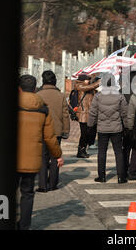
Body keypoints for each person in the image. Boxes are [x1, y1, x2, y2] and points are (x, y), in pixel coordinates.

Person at [17, 75, 63, 230]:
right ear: (35, 88)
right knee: (28, 193)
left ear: (20, 88)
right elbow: (50, 137)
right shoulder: (43, 109)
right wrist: (58, 155)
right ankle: (24, 225)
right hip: (31, 160)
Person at [88, 73, 128, 183]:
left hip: (102, 128)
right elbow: (125, 113)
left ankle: (102, 176)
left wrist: (90, 125)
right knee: (118, 152)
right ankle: (121, 177)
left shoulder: (98, 96)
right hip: (117, 128)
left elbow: (92, 112)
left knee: (102, 152)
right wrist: (127, 126)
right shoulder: (120, 96)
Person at [36, 70, 70, 192]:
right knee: (55, 156)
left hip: (41, 131)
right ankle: (53, 184)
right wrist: (66, 130)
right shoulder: (61, 96)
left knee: (42, 158)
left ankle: (42, 185)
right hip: (57, 131)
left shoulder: (38, 95)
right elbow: (65, 115)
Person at [74, 73, 100, 158]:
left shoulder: (89, 88)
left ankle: (83, 149)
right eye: (87, 79)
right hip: (82, 114)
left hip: (89, 114)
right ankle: (80, 151)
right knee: (84, 133)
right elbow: (90, 87)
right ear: (82, 80)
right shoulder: (79, 86)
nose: (88, 81)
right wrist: (99, 82)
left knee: (88, 133)